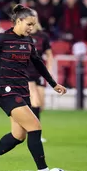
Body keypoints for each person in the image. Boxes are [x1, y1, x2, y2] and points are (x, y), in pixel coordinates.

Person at [0, 4, 66, 171]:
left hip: (22, 91)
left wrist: (53, 84)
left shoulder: (28, 41)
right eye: (29, 24)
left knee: (18, 136)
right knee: (35, 126)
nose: (32, 28)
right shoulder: (2, 38)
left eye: (34, 25)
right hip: (6, 92)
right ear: (19, 21)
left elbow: (39, 64)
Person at [27, 10, 54, 143]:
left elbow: (49, 54)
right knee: (35, 102)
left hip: (39, 73)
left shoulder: (43, 36)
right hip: (26, 73)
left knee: (41, 106)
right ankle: (35, 134)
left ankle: (25, 123)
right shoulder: (21, 35)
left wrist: (48, 70)